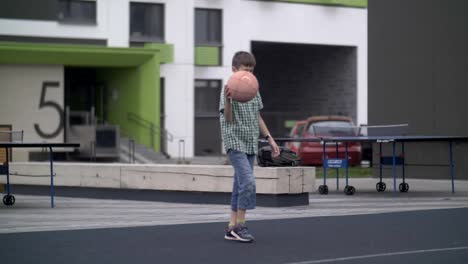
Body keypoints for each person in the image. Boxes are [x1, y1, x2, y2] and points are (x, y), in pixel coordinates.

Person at [219, 51, 280, 243]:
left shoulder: (253, 88)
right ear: (234, 70)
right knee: (248, 182)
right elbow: (227, 119)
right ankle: (241, 225)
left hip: (250, 142)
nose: (249, 74)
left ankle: (231, 227)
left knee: (239, 185)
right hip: (234, 142)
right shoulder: (228, 89)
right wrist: (228, 100)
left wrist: (269, 138)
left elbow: (257, 116)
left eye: (251, 70)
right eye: (246, 70)